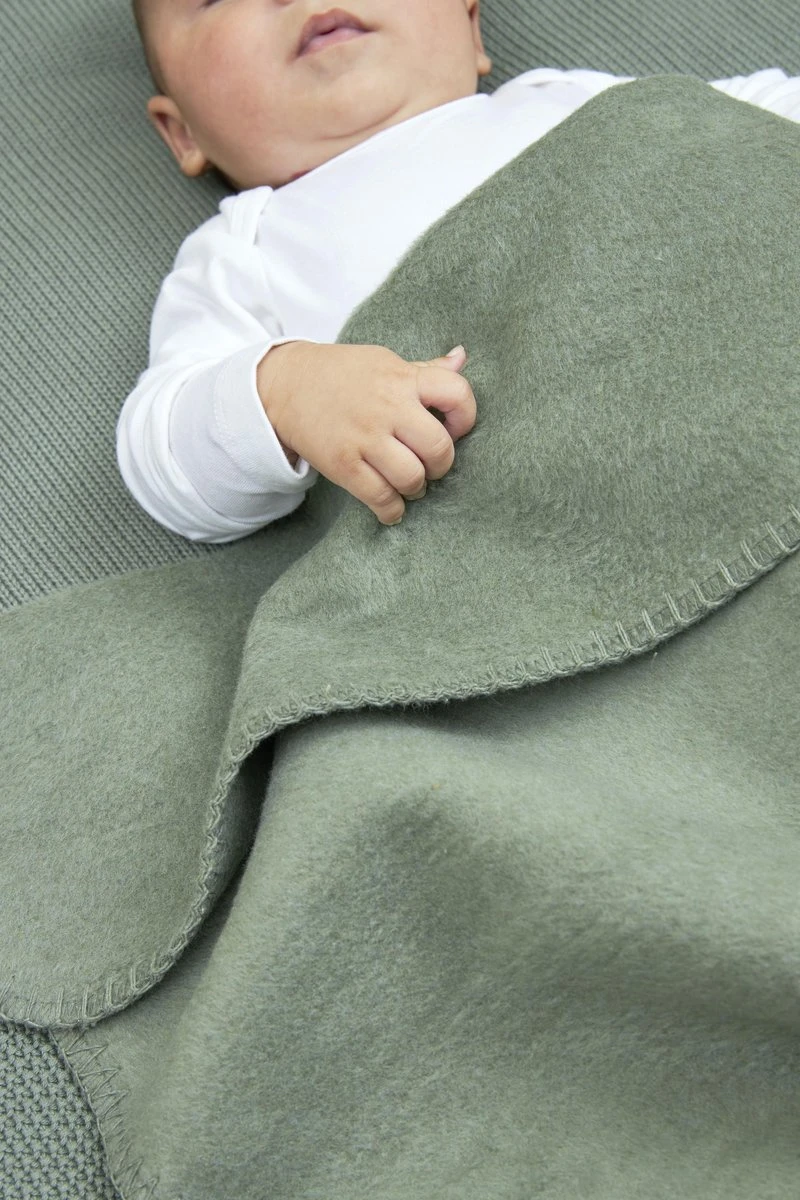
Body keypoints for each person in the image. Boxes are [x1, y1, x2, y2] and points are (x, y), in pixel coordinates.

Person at [117, 0, 800, 542]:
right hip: (540, 530)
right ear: (183, 133)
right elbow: (164, 450)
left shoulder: (567, 100)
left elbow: (748, 129)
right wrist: (287, 392)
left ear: (468, 22)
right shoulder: (247, 248)